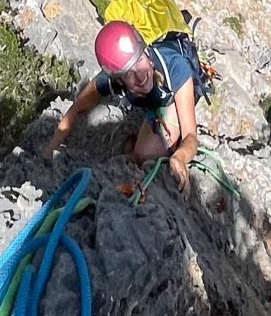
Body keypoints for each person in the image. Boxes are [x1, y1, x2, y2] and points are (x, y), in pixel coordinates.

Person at [46, 16, 199, 193]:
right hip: (155, 97)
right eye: (128, 74)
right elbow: (78, 107)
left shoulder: (174, 67)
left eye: (140, 61)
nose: (140, 76)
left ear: (145, 52)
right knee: (142, 152)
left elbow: (191, 136)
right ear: (118, 78)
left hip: (176, 91)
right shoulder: (111, 81)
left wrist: (180, 157)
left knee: (145, 154)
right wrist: (50, 149)